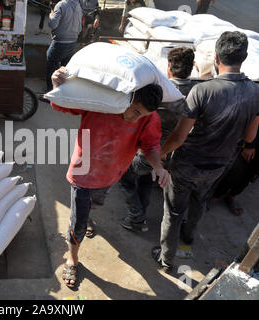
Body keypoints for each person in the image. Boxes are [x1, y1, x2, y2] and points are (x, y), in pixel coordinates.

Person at [51, 67, 170, 288]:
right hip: (83, 172)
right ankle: (73, 258)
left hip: (112, 173)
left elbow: (151, 145)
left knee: (94, 205)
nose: (136, 118)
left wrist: (158, 166)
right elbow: (63, 103)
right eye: (134, 111)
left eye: (141, 115)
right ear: (126, 97)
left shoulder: (148, 117)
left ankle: (87, 217)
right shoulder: (100, 101)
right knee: (77, 222)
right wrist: (57, 86)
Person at [153, 31, 259, 272]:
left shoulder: (202, 91)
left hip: (187, 164)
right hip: (219, 164)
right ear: (243, 58)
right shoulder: (255, 92)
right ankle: (189, 235)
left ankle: (167, 259)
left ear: (217, 58)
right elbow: (250, 137)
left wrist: (160, 153)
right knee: (200, 200)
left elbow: (179, 137)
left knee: (173, 210)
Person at [119, 47, 197, 232]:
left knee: (124, 178)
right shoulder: (194, 92)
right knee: (146, 179)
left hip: (147, 148)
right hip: (169, 151)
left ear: (169, 66)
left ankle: (136, 218)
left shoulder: (162, 92)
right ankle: (142, 212)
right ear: (191, 68)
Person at [212, 124, 259, 216]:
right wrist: (250, 145)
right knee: (236, 170)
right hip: (254, 143)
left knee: (250, 175)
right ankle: (216, 195)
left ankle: (231, 195)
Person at [44, 0, 83, 94]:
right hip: (73, 42)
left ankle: (51, 92)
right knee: (65, 68)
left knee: (51, 65)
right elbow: (80, 28)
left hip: (60, 42)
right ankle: (62, 91)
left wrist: (51, 16)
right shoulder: (78, 6)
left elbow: (53, 24)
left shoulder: (61, 5)